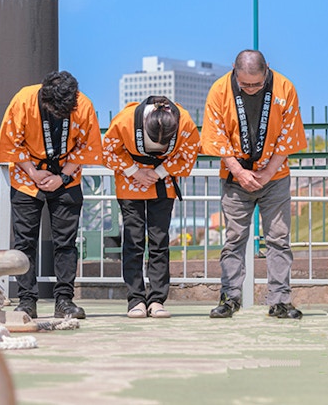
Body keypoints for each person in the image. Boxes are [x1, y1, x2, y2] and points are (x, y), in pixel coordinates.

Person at [201, 50, 307, 319]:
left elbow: (289, 135)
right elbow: (216, 137)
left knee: (279, 239)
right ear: (234, 71)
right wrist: (239, 171)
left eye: (257, 84)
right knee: (234, 239)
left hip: (275, 177)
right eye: (244, 84)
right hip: (235, 178)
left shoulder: (284, 88)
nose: (250, 89)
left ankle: (280, 300)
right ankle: (229, 298)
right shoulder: (219, 90)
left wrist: (268, 172)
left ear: (267, 70)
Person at [0, 70, 102, 320]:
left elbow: (88, 147)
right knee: (24, 241)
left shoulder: (83, 105)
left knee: (66, 241)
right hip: (26, 172)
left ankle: (64, 300)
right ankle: (26, 300)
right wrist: (33, 173)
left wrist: (62, 177)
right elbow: (11, 143)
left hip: (67, 173)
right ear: (45, 98)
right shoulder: (23, 100)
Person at [103, 96, 200, 319]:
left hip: (163, 181)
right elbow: (107, 150)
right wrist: (135, 172)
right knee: (133, 240)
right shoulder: (126, 119)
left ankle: (157, 299)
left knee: (159, 240)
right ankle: (135, 299)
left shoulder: (184, 122)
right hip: (130, 180)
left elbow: (188, 155)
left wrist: (157, 173)